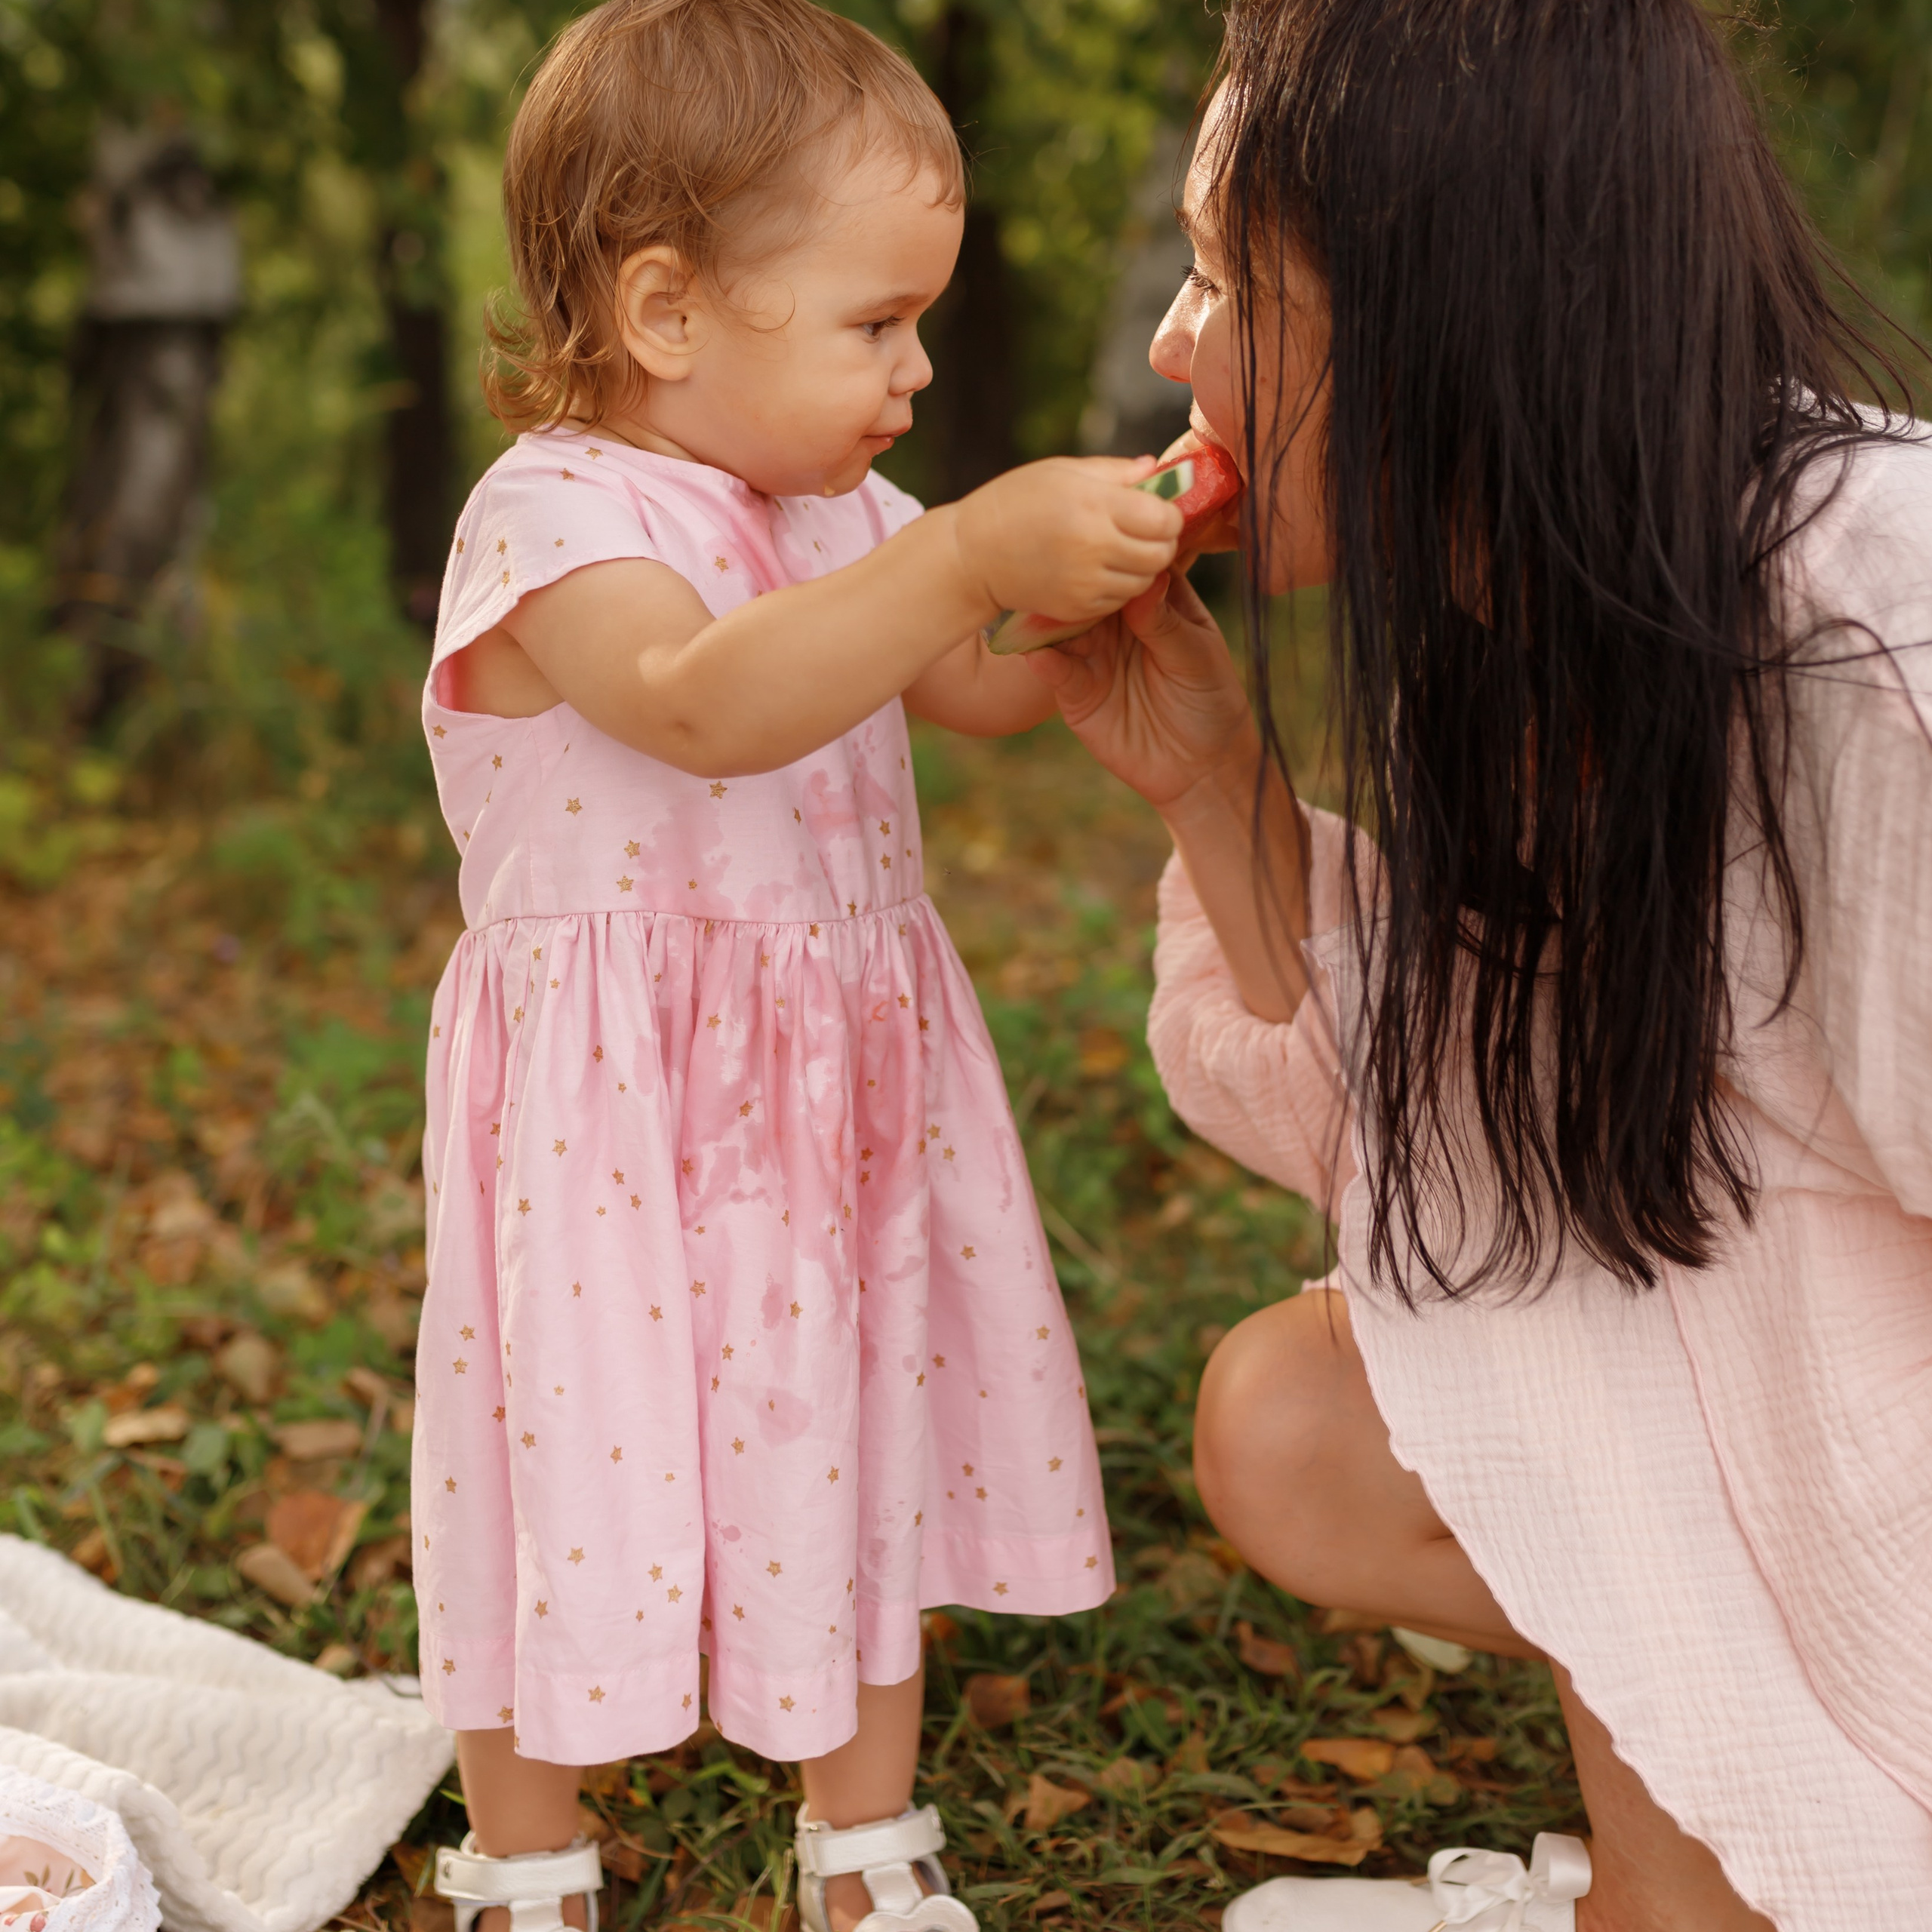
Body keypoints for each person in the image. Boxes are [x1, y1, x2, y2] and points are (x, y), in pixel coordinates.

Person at [1033, 2, 1932, 1928]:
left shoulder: (1871, 636)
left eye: (1219, 283)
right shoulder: (1531, 620)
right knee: (1297, 1423)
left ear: (1445, 311)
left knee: (1591, 1276)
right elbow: (1446, 1132)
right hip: (1805, 1396)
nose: (1170, 350)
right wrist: (1210, 775)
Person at [408, 5, 1177, 1928]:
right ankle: (524, 1851)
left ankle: (863, 1837)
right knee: (563, 1437)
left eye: (924, 320)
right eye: (874, 321)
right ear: (665, 309)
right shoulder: (556, 515)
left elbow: (964, 681)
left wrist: (1088, 600)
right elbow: (698, 702)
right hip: (618, 1114)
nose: (917, 369)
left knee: (855, 1414)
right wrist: (958, 552)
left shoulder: (841, 508)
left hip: (830, 1085)